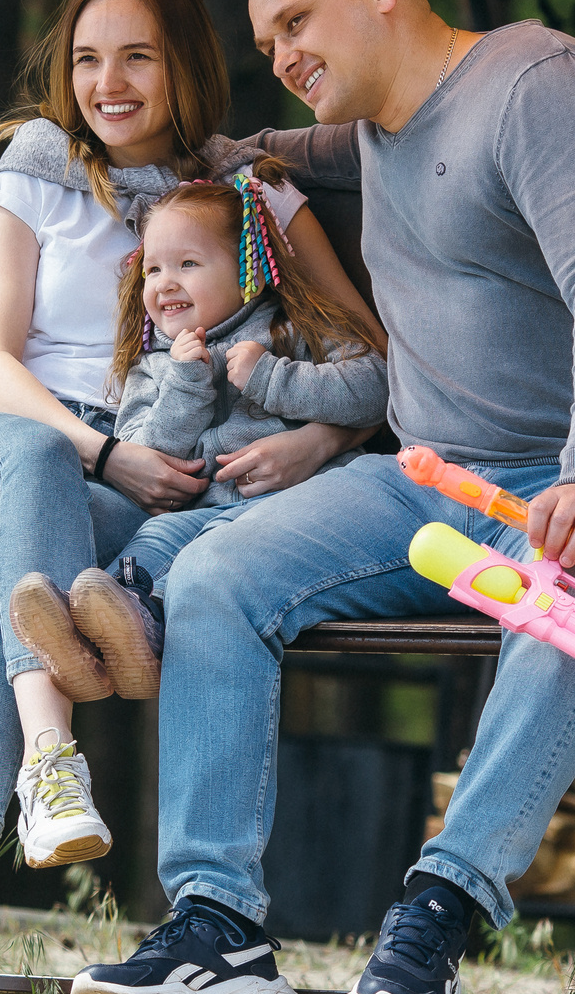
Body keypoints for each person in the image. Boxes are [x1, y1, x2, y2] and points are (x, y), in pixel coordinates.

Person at [69, 0, 575, 994]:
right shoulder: (370, 129)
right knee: (216, 575)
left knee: (560, 595)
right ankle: (217, 927)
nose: (284, 54)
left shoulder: (539, 87)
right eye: (267, 41)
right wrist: (107, 137)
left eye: (297, 22)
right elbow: (257, 154)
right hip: (424, 485)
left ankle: (439, 914)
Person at [0, 0, 377, 994]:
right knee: (33, 468)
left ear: (184, 63)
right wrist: (101, 454)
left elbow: (367, 347)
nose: (108, 83)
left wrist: (316, 444)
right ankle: (51, 756)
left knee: (2, 580)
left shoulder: (247, 190)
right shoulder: (38, 165)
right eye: (88, 59)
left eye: (137, 55)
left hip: (121, 485)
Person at [29, 167, 388, 703]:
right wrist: (185, 385)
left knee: (199, 557)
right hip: (197, 516)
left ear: (249, 270)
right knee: (151, 545)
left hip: (292, 512)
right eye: (153, 269)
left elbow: (376, 387)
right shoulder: (154, 365)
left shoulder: (291, 328)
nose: (165, 282)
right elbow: (144, 453)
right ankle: (112, 630)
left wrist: (273, 378)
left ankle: (120, 625)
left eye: (188, 264)